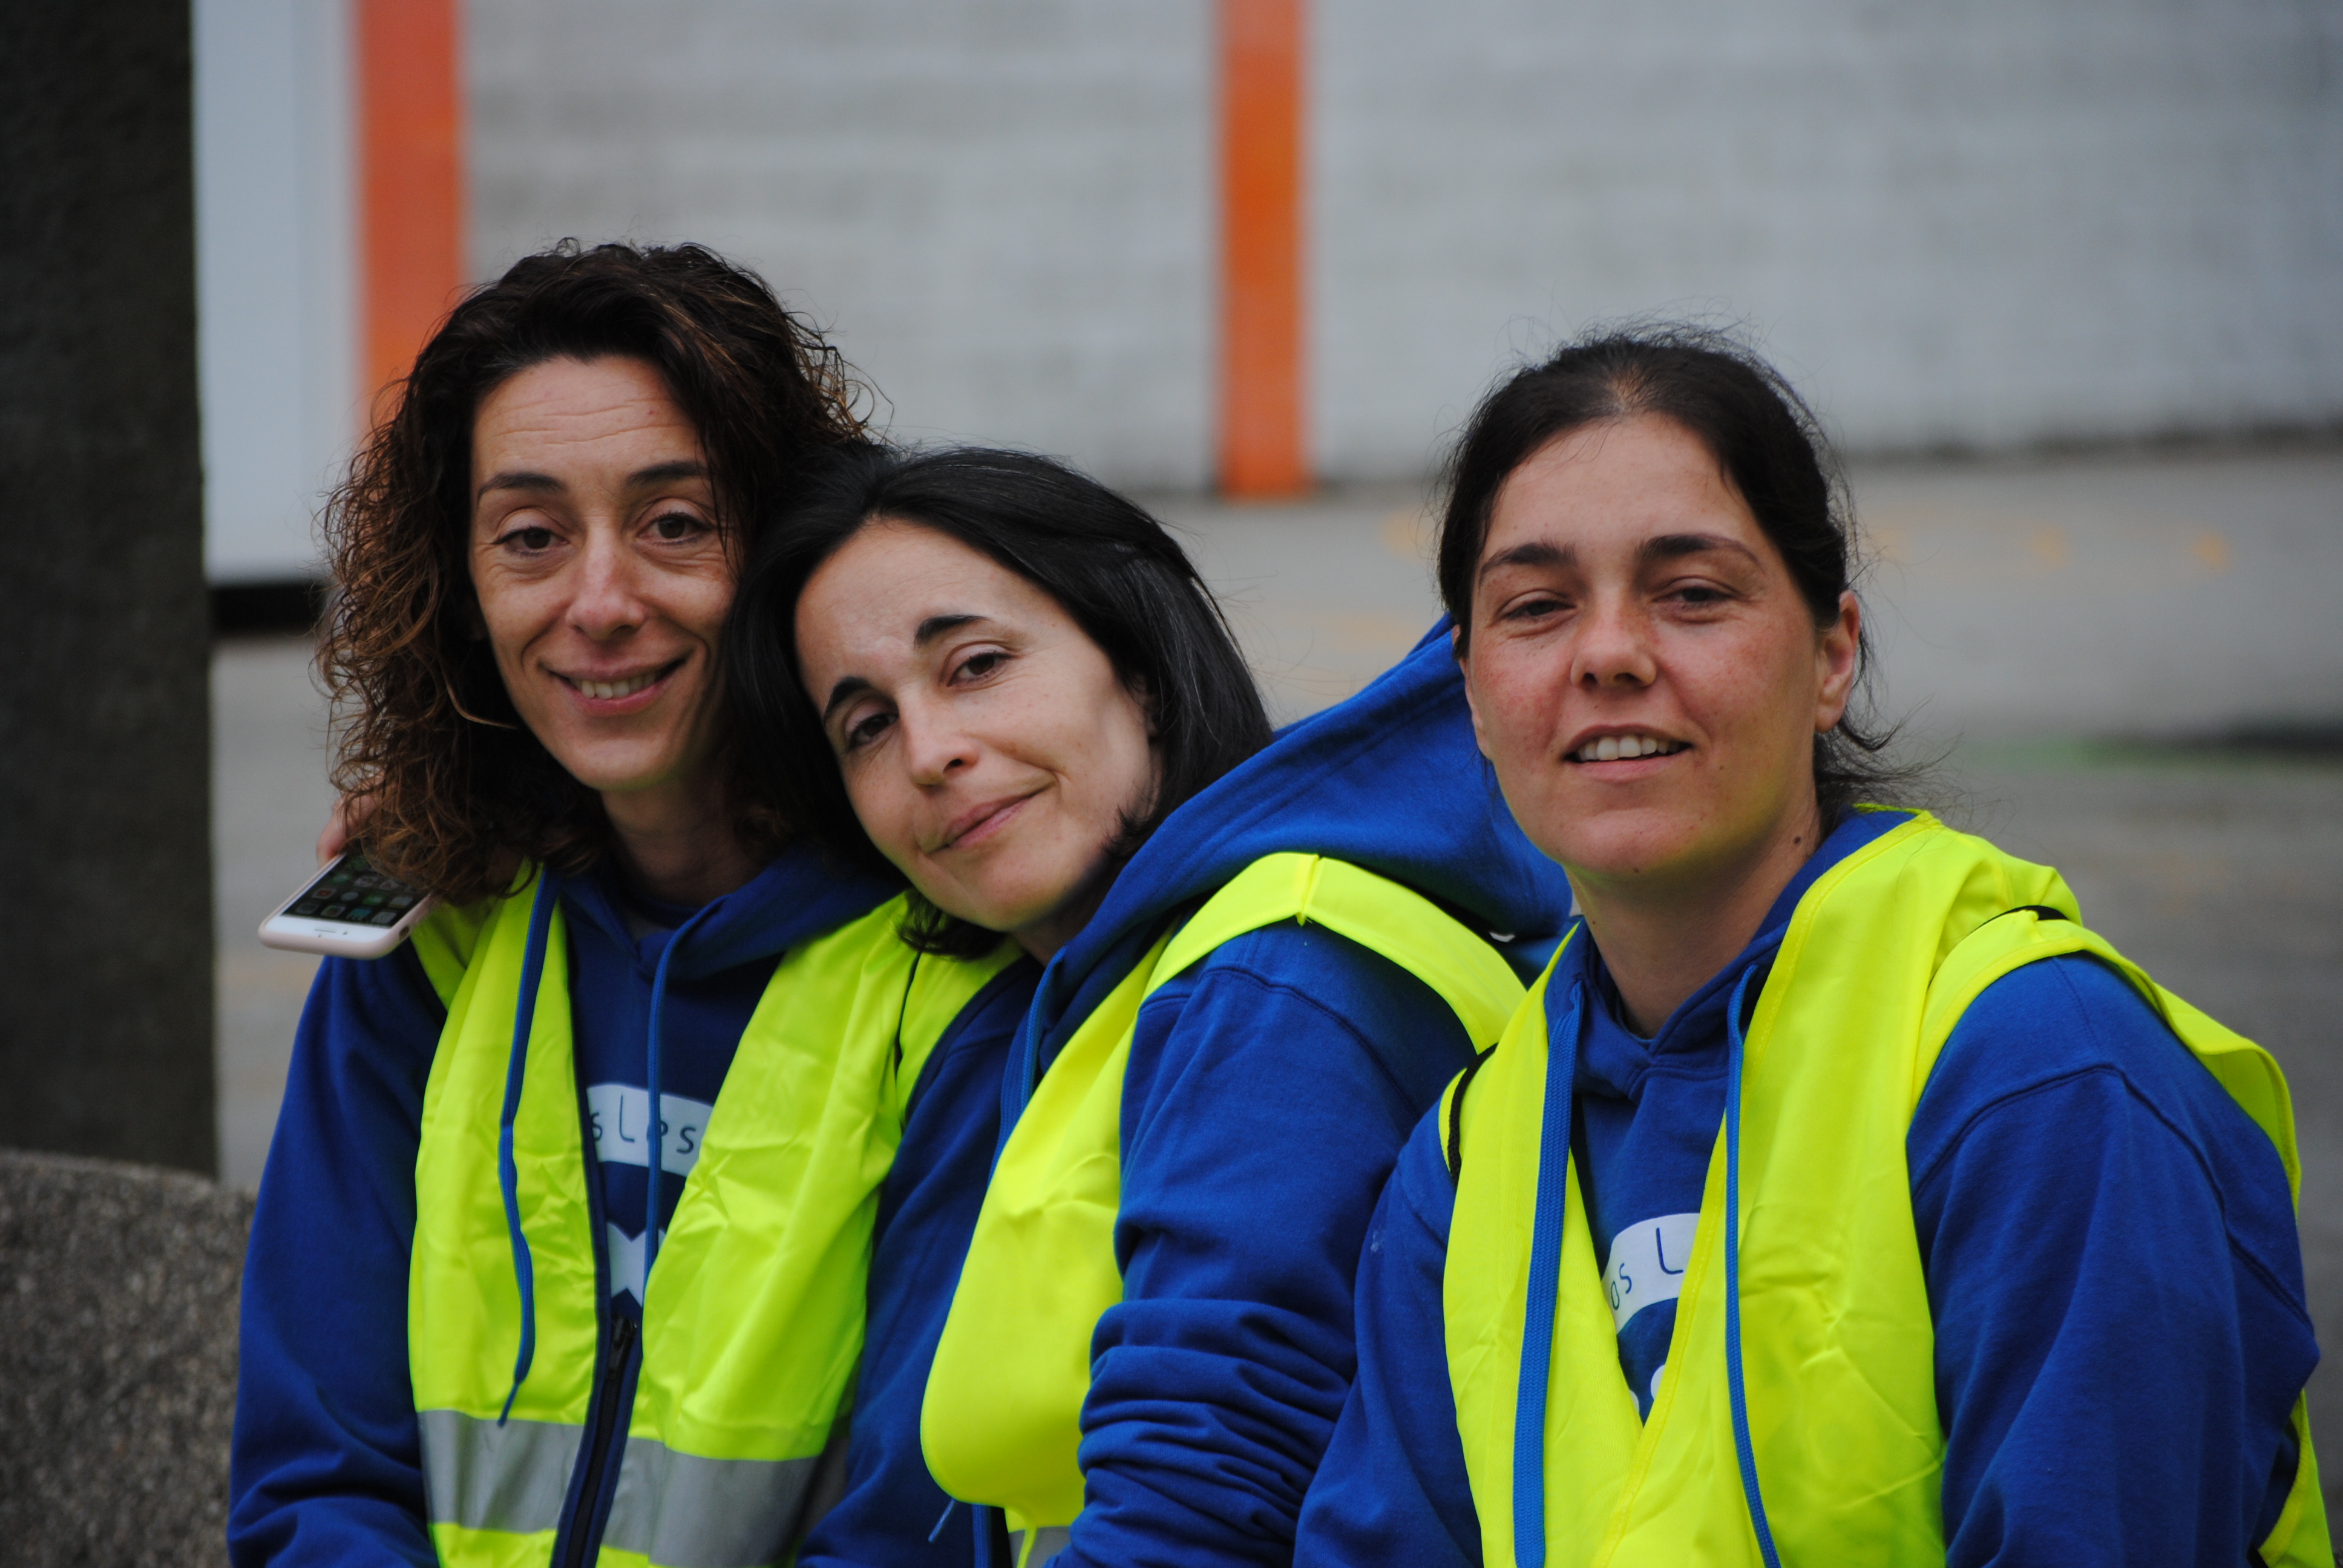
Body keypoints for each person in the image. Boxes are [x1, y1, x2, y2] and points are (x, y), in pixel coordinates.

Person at [1291, 330, 2328, 1567]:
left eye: (1692, 593)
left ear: (1833, 656)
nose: (1608, 653)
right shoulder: (1466, 1168)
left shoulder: (2034, 1070)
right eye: (1536, 607)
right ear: (1470, 690)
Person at [227, 243, 1040, 1568]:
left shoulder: (949, 972)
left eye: (674, 524)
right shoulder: (424, 944)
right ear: (458, 589)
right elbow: (314, 1480)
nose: (599, 605)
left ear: (787, 554)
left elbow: (916, 1527)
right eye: (531, 538)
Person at [725, 446, 1575, 1567]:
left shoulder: (1271, 979)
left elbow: (1198, 1511)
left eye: (976, 666)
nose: (929, 753)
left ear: (1144, 675)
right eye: (866, 727)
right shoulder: (1111, 988)